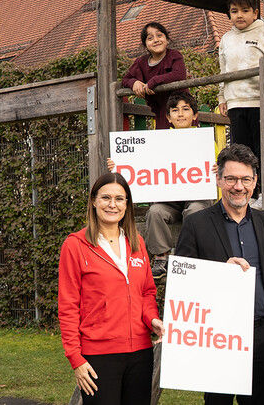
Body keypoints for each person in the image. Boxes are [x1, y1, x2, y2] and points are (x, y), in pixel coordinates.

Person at [173, 144, 264, 405]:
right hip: (217, 338)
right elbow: (182, 281)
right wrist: (218, 274)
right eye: (231, 179)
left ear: (255, 181)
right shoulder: (196, 224)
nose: (239, 186)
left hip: (261, 334)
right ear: (218, 180)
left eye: (246, 179)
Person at [58, 172, 163, 405]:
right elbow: (68, 306)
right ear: (94, 201)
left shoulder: (136, 242)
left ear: (127, 204)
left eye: (119, 198)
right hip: (99, 356)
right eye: (106, 198)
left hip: (140, 353)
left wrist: (152, 319)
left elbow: (146, 292)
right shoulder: (75, 246)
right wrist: (76, 358)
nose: (112, 204)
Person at [107, 92, 213, 279]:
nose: (180, 114)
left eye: (186, 109)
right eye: (175, 110)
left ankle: (189, 256)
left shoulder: (205, 141)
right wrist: (118, 166)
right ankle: (161, 257)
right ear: (168, 117)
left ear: (195, 115)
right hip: (169, 200)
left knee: (194, 212)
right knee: (155, 212)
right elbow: (139, 164)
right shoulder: (158, 142)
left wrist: (216, 166)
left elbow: (219, 166)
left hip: (197, 197)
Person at [217, 0, 264, 208]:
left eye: (245, 10)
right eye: (234, 11)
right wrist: (222, 97)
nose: (239, 15)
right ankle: (248, 195)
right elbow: (223, 70)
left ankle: (263, 191)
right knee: (242, 152)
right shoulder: (226, 38)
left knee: (261, 149)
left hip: (260, 101)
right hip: (236, 102)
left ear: (255, 12)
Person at [121, 22, 188, 130]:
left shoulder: (174, 55)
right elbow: (125, 79)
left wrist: (155, 80)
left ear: (167, 39)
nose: (156, 40)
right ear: (145, 44)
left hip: (182, 111)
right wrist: (134, 83)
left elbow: (179, 75)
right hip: (161, 113)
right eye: (150, 38)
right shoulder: (140, 62)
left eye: (159, 35)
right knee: (164, 145)